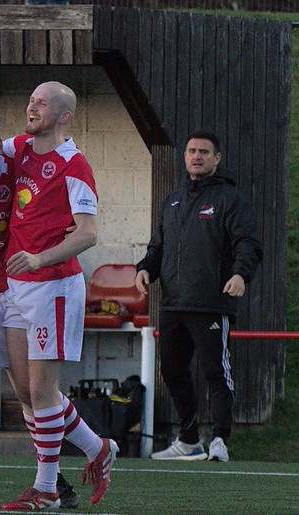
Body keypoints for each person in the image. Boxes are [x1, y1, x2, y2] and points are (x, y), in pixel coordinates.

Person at [0, 82, 118, 511]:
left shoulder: (75, 165)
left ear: (64, 115)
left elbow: (87, 234)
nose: (31, 107)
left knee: (44, 391)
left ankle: (46, 489)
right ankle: (98, 449)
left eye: (41, 103)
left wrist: (38, 258)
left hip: (54, 286)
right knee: (26, 393)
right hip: (16, 286)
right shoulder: (19, 148)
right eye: (29, 99)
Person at [136, 130, 262, 463]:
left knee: (215, 372)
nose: (196, 156)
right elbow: (157, 246)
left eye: (204, 152)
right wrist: (146, 268)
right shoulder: (173, 200)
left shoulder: (230, 199)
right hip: (173, 303)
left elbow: (248, 243)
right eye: (191, 150)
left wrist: (240, 274)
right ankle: (189, 440)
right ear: (185, 156)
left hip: (210, 303)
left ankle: (220, 439)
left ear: (216, 159)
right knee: (173, 372)